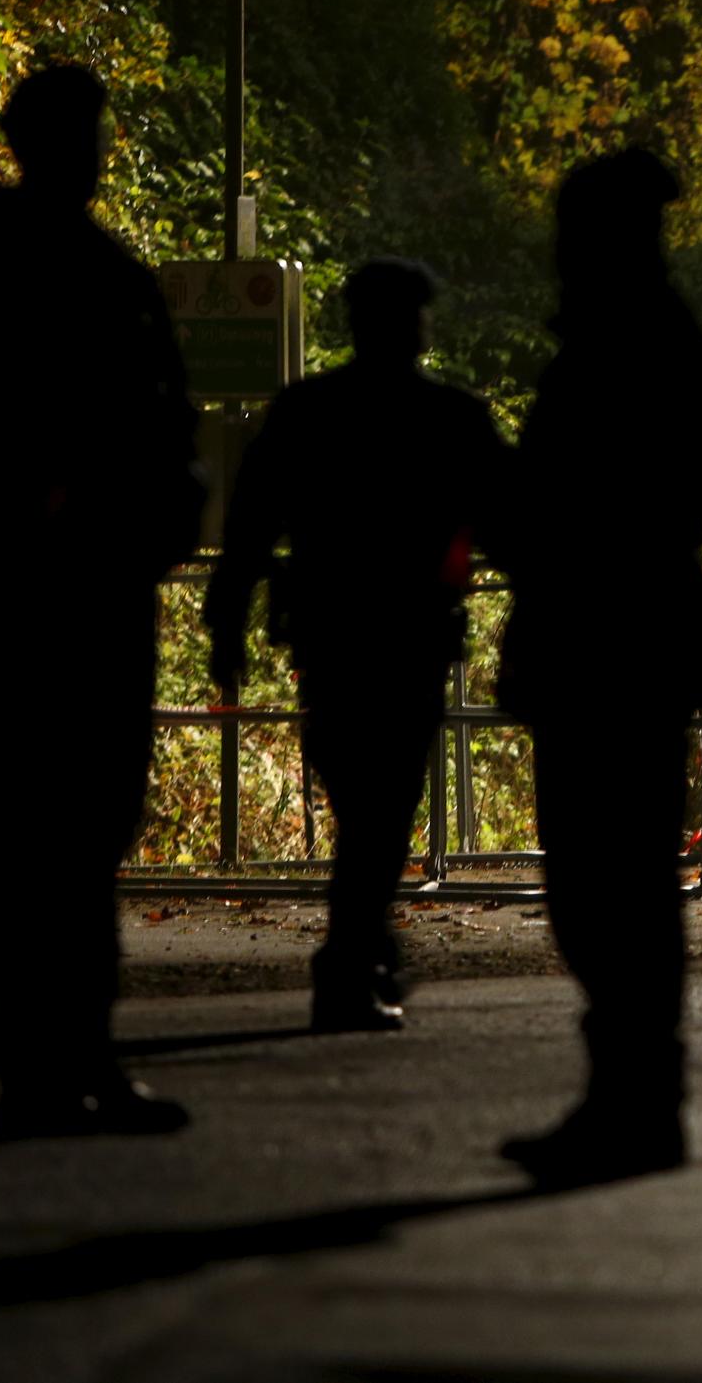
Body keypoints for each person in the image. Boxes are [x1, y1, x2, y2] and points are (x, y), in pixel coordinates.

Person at [0, 66, 205, 1135]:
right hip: (47, 568)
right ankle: (51, 1047)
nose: (97, 146)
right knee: (42, 815)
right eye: (86, 130)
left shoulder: (41, 272)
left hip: (87, 570)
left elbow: (167, 421)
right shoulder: (28, 274)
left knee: (79, 813)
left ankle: (64, 1043)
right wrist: (47, 486)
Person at [489, 147, 702, 1185]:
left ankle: (632, 1097)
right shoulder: (657, 338)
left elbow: (568, 500)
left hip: (602, 635)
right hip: (630, 634)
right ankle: (636, 1093)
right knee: (616, 874)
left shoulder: (616, 345)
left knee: (604, 875)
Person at [205, 258, 508, 1033]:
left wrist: (228, 624)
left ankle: (358, 950)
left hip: (331, 633)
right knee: (384, 802)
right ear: (418, 325)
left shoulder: (307, 410)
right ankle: (355, 954)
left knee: (359, 797)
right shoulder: (451, 417)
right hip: (410, 637)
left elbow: (249, 525)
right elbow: (514, 525)